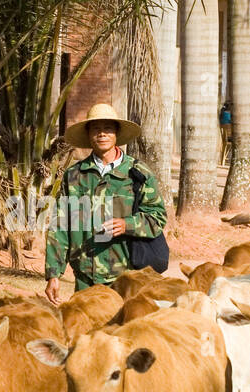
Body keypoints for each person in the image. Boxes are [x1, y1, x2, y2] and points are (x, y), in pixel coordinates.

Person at [44, 103, 167, 304]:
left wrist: (127, 224)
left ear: (117, 133)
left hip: (127, 279)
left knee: (123, 333)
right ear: (88, 134)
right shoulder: (74, 176)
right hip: (84, 278)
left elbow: (157, 217)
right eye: (96, 128)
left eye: (108, 128)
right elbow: (61, 227)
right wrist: (53, 274)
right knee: (85, 333)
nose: (102, 134)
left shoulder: (137, 173)